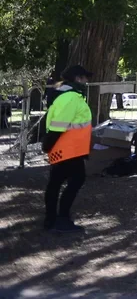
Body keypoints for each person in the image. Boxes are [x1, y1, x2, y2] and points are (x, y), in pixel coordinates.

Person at [43, 65, 93, 233]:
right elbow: (59, 125)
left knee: (56, 183)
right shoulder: (71, 97)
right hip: (68, 149)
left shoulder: (69, 95)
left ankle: (51, 219)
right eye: (85, 77)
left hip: (68, 148)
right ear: (78, 78)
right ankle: (61, 219)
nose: (87, 81)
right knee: (75, 179)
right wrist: (48, 144)